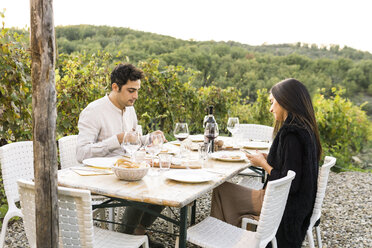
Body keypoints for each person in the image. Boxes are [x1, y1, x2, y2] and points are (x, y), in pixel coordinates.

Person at [210, 78, 322, 248]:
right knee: (226, 190)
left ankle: (222, 241)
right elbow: (293, 164)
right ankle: (233, 236)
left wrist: (264, 164)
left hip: (282, 205)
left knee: (220, 189)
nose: (270, 109)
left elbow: (290, 183)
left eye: (272, 102)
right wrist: (270, 156)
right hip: (297, 204)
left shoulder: (291, 134)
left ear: (285, 101)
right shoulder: (305, 129)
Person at [76, 63, 165, 248]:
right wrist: (115, 139)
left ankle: (139, 232)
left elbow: (134, 140)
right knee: (142, 187)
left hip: (126, 170)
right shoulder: (94, 111)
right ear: (115, 87)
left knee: (162, 181)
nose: (136, 96)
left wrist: (150, 138)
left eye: (137, 90)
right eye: (131, 90)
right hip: (101, 175)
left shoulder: (130, 108)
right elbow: (81, 153)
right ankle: (125, 237)